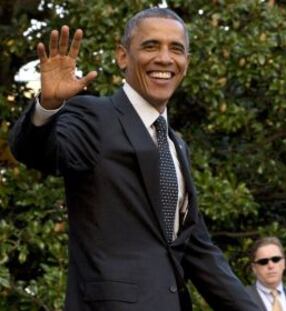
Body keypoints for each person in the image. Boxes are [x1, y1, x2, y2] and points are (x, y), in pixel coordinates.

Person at [9, 7, 259, 311]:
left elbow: (197, 248)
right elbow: (37, 153)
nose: (165, 58)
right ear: (123, 56)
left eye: (176, 49)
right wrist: (47, 106)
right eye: (151, 46)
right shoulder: (95, 116)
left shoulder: (175, 144)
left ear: (186, 64)